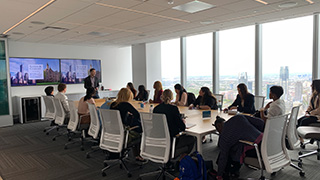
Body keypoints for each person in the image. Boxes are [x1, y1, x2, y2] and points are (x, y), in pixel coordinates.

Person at [214, 115, 264, 179]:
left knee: (227, 152)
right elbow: (261, 123)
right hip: (266, 142)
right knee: (236, 145)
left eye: (218, 131)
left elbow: (223, 157)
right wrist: (255, 134)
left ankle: (231, 172)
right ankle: (235, 170)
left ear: (219, 126)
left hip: (256, 151)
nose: (220, 133)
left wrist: (219, 175)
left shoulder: (224, 136)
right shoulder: (238, 117)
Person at [153, 89, 195, 157]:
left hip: (159, 139)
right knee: (192, 139)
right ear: (172, 98)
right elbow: (182, 127)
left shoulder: (156, 109)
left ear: (162, 97)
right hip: (172, 139)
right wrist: (183, 122)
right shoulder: (174, 109)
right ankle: (180, 159)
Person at [110, 88, 145, 162]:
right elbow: (137, 115)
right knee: (139, 132)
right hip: (124, 133)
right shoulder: (126, 104)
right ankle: (137, 155)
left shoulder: (113, 104)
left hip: (114, 132)